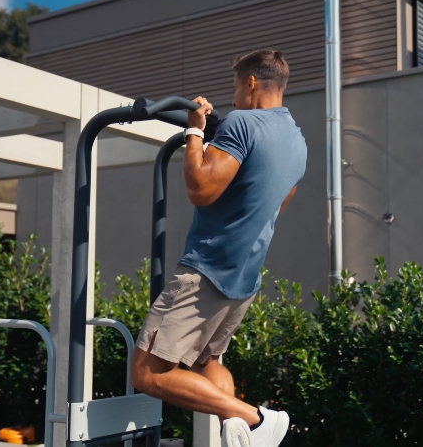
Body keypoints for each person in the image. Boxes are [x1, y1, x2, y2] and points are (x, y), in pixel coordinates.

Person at [130, 49, 308, 447]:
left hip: (208, 270)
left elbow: (201, 189)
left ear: (251, 82)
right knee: (206, 362)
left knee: (147, 372)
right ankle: (246, 434)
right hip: (244, 278)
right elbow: (276, 205)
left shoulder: (243, 123)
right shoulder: (297, 142)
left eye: (235, 87)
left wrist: (196, 131)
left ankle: (257, 420)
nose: (234, 98)